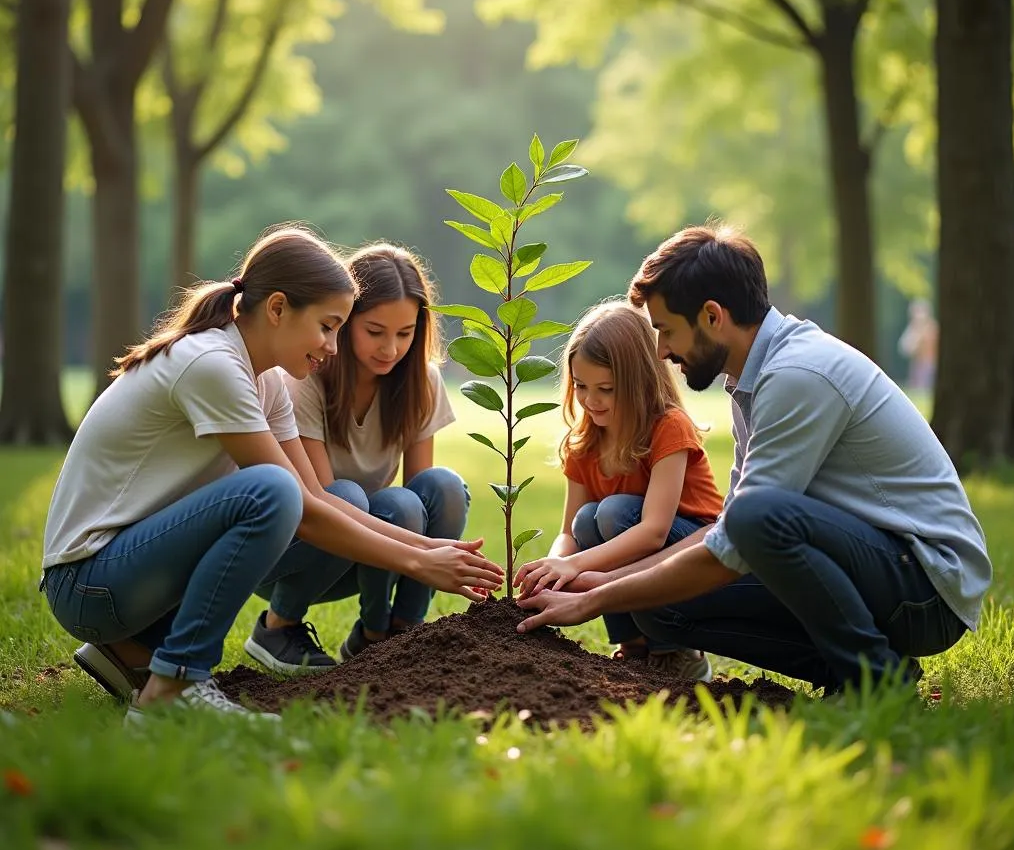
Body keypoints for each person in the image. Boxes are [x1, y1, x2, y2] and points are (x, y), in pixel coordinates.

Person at [41, 226, 502, 720]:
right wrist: (415, 563)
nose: (331, 346)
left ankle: (135, 652)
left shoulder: (268, 381)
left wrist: (426, 547)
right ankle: (174, 686)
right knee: (271, 490)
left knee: (296, 493)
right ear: (278, 309)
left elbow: (319, 499)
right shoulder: (212, 364)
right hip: (88, 584)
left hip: (129, 574)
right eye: (327, 326)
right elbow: (298, 508)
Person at [516, 224, 991, 696]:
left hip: (925, 587)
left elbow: (739, 541)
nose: (660, 350)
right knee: (659, 607)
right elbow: (727, 531)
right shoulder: (753, 380)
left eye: (666, 330)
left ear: (712, 316)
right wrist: (608, 581)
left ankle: (873, 680)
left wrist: (596, 597)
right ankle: (862, 668)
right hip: (875, 569)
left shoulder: (797, 376)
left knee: (753, 518)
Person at [251, 243, 469, 668]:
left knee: (440, 487)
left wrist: (428, 550)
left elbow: (420, 490)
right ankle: (283, 624)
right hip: (304, 544)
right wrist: (426, 553)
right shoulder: (305, 376)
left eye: (405, 334)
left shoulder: (421, 381)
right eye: (375, 331)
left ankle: (402, 634)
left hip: (374, 538)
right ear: (344, 320)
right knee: (350, 494)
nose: (390, 349)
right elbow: (318, 502)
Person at [514, 302, 723, 680]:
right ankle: (633, 646)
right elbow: (568, 533)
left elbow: (654, 531)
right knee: (586, 521)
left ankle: (675, 650)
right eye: (580, 387)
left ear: (638, 381)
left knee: (611, 514)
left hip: (693, 552)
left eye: (606, 389)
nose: (591, 401)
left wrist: (575, 565)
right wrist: (550, 568)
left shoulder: (668, 427)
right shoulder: (585, 441)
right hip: (637, 546)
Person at [898, 298, 939, 392]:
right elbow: (905, 348)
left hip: (930, 367)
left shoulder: (933, 328)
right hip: (917, 367)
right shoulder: (913, 329)